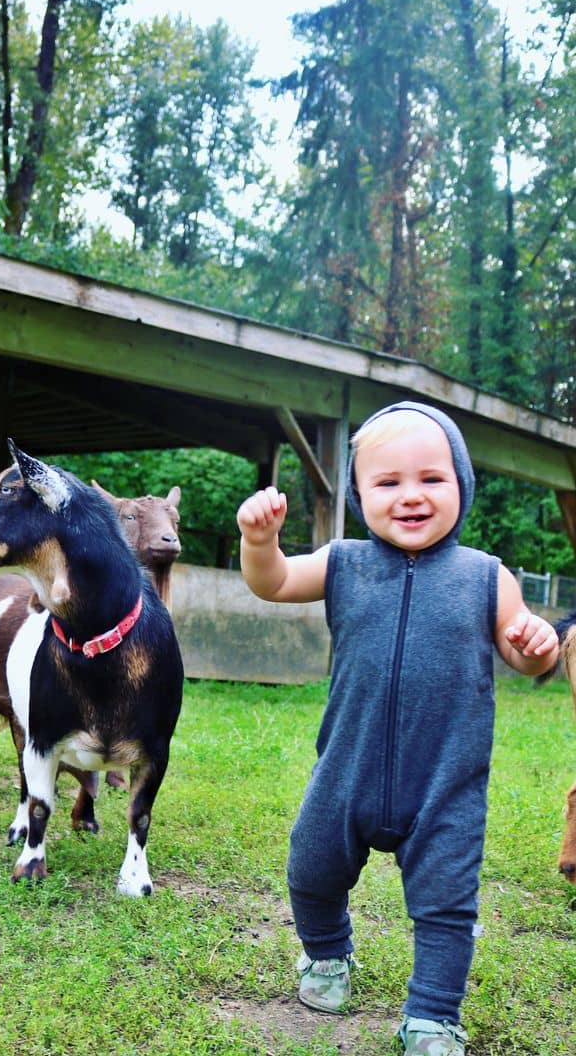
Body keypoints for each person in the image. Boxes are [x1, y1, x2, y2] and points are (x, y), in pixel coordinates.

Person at [236, 401, 559, 1056]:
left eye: (432, 479)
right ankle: (327, 957)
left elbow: (527, 656)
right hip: (347, 770)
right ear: (359, 493)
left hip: (445, 783)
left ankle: (434, 1015)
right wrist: (260, 543)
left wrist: (538, 643)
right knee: (310, 865)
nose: (411, 496)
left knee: (447, 906)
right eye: (388, 483)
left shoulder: (485, 577)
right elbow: (272, 584)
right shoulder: (342, 563)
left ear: (461, 485)